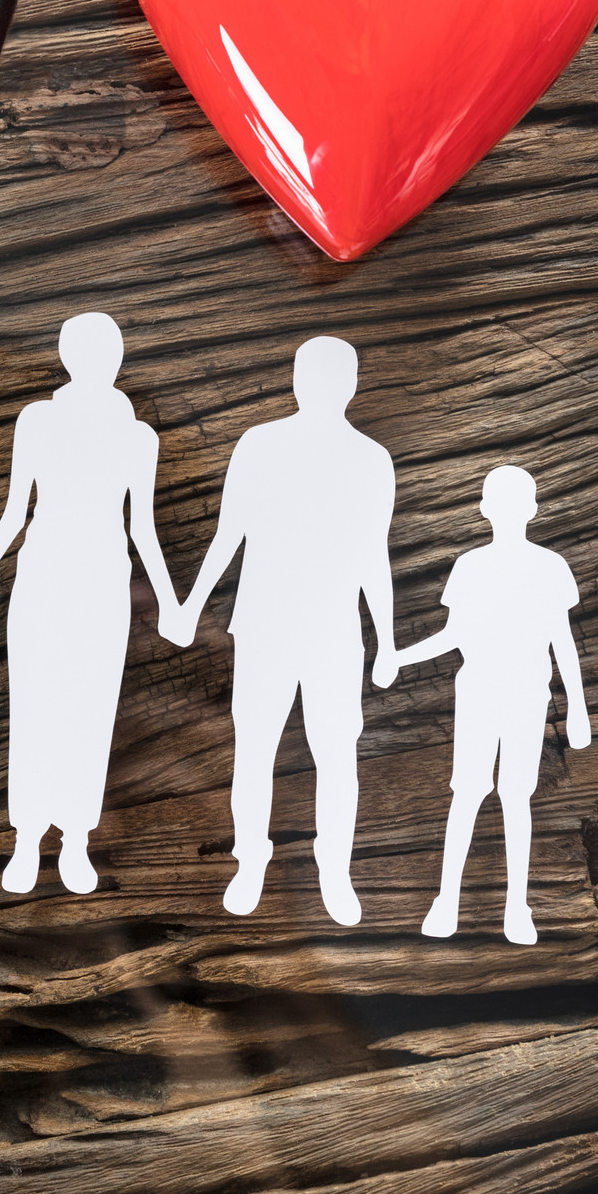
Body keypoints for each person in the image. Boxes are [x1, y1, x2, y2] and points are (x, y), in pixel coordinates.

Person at [161, 336, 395, 925]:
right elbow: (229, 533)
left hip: (335, 630)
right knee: (257, 750)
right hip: (266, 623)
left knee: (336, 754)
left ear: (347, 385)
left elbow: (374, 556)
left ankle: (333, 871)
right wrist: (190, 607)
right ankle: (250, 862)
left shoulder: (371, 459)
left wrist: (387, 639)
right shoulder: (260, 444)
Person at [0, 312, 181, 896]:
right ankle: (27, 838)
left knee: (91, 708)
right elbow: (13, 514)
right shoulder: (38, 420)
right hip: (44, 574)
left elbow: (143, 529)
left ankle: (76, 839)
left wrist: (172, 604)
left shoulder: (137, 436)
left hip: (104, 581)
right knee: (36, 703)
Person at [388, 464, 588, 945]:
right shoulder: (471, 565)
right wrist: (400, 657)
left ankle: (516, 906)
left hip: (526, 694)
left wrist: (577, 705)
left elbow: (563, 641)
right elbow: (454, 635)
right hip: (478, 692)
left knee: (515, 796)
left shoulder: (549, 566)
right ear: (484, 511)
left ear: (533, 511)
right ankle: (447, 899)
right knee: (469, 792)